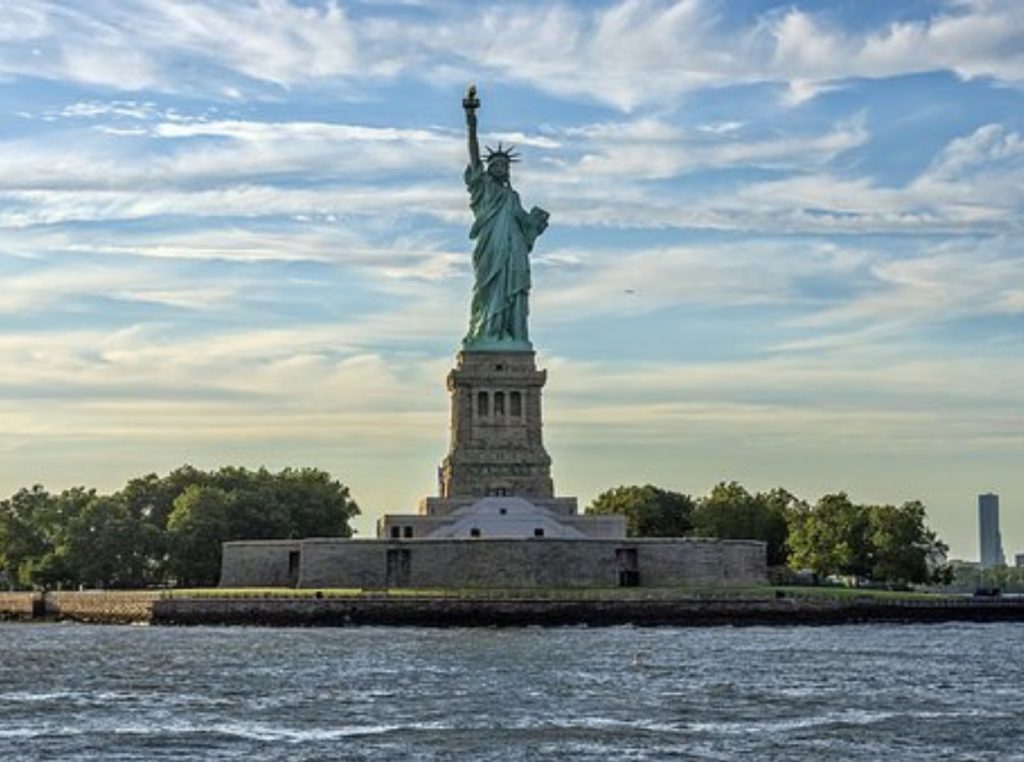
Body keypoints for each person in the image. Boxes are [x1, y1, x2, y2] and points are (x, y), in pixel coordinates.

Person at [461, 85, 549, 350]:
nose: (500, 167)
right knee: (487, 291)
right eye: (495, 164)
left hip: (512, 253)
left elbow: (526, 226)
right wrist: (471, 121)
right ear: (489, 168)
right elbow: (474, 156)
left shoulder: (513, 198)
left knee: (513, 294)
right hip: (490, 251)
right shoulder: (483, 188)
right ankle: (486, 331)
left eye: (504, 165)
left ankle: (509, 335)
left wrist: (536, 223)